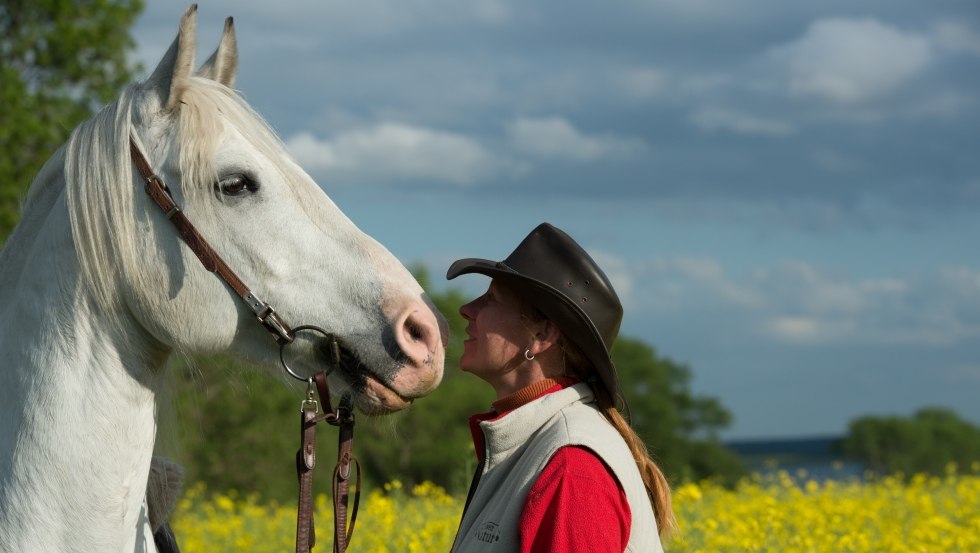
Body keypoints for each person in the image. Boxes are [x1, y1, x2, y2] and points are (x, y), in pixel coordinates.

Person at [446, 222, 676, 553]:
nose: (467, 309)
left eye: (492, 299)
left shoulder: (572, 467)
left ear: (542, 335)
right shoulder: (545, 446)